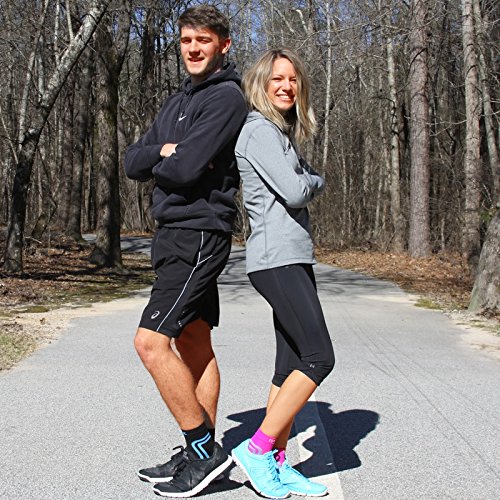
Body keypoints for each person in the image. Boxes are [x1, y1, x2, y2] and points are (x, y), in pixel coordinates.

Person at [124, 5, 247, 498]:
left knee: (150, 343)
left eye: (203, 40)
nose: (193, 49)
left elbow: (186, 169)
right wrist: (163, 151)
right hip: (172, 231)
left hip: (198, 232)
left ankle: (202, 451)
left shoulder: (226, 98)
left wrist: (171, 157)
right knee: (194, 341)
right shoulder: (177, 101)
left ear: (224, 45)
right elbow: (134, 161)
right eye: (186, 40)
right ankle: (201, 452)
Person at [231, 48, 335, 499]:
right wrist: (314, 180)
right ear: (261, 84)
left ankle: (275, 461)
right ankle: (257, 448)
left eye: (293, 79)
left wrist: (308, 177)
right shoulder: (259, 131)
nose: (287, 86)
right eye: (277, 78)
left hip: (291, 255)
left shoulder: (279, 134)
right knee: (319, 357)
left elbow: (300, 181)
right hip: (276, 258)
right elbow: (296, 190)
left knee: (289, 364)